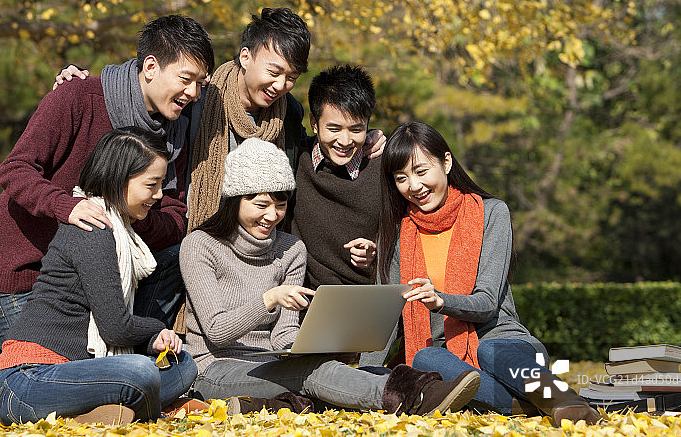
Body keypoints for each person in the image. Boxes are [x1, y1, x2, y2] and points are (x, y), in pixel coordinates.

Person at [0, 16, 213, 409]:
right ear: (151, 67)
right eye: (186, 79)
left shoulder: (172, 129)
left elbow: (176, 213)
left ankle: (130, 376)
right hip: (17, 271)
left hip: (89, 272)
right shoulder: (78, 97)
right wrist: (69, 206)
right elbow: (15, 169)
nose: (193, 92)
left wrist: (122, 218)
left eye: (200, 83)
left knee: (83, 379)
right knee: (37, 379)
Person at [179, 137, 481, 416]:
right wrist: (269, 299)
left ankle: (271, 405)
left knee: (325, 370)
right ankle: (414, 396)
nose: (271, 216)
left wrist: (319, 340)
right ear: (235, 200)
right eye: (261, 205)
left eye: (281, 205)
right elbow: (217, 331)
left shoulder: (291, 248)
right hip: (214, 369)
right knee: (312, 374)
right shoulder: (200, 246)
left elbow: (283, 335)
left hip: (272, 364)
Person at [0, 128, 198, 424]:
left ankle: (101, 411)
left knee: (184, 366)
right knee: (140, 372)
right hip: (28, 376)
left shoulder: (123, 235)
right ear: (119, 180)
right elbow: (116, 329)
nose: (158, 196)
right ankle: (121, 409)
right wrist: (157, 327)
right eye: (151, 185)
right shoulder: (95, 230)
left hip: (73, 373)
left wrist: (157, 340)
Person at [55, 7, 386, 234]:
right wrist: (81, 80)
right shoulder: (199, 96)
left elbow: (310, 151)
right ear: (245, 56)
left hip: (256, 245)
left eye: (291, 77)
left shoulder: (289, 114)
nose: (280, 85)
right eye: (274, 71)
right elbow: (147, 85)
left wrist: (360, 138)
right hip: (181, 235)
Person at [360, 122, 601, 426]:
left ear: (446, 163)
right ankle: (522, 404)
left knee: (490, 350)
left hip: (506, 346)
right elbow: (388, 314)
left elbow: (487, 303)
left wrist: (440, 301)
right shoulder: (397, 233)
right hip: (448, 359)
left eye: (421, 172)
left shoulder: (491, 213)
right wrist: (364, 374)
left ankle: (563, 401)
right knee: (423, 359)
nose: (414, 186)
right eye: (401, 178)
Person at [289, 65, 380, 288]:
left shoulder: (383, 168)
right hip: (308, 301)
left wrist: (379, 252)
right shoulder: (294, 160)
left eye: (356, 130)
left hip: (370, 297)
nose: (345, 141)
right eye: (334, 128)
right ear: (314, 123)